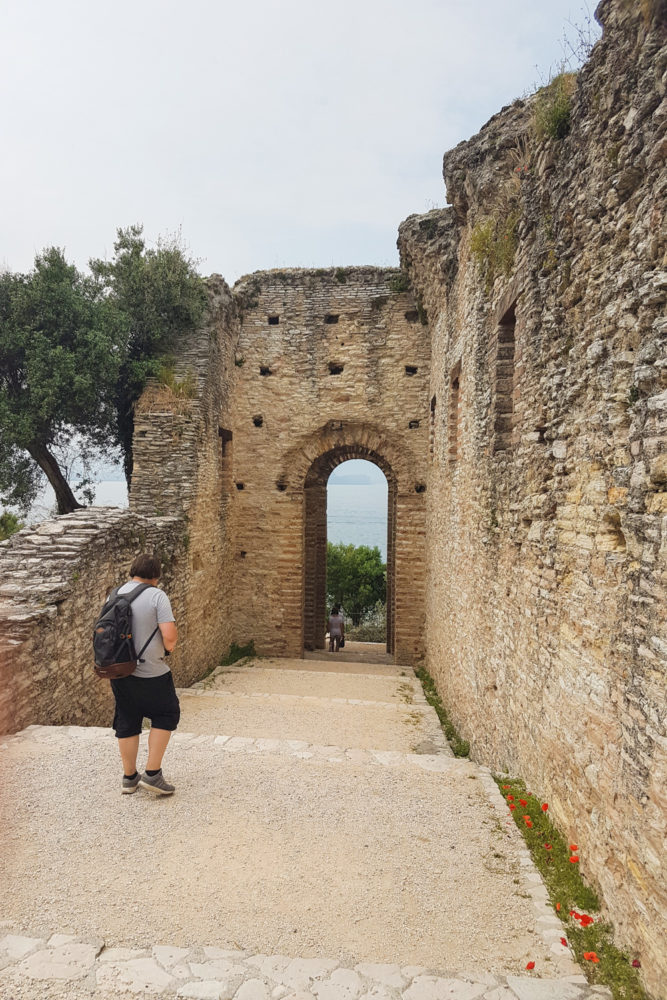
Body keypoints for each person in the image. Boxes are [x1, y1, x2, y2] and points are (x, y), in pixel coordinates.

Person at [111, 554, 180, 796]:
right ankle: (152, 774)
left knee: (127, 720)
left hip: (119, 671)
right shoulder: (156, 596)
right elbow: (169, 637)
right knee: (166, 714)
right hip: (152, 671)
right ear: (155, 576)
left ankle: (129, 778)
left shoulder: (115, 593)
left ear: (133, 572)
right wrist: (168, 648)